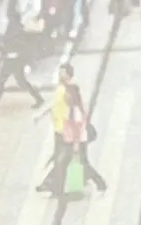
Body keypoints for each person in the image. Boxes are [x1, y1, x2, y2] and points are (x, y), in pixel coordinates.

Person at [37, 64, 109, 196]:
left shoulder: (73, 106)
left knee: (71, 162)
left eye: (63, 73)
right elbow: (54, 104)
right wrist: (41, 115)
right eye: (60, 73)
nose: (60, 75)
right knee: (63, 161)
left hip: (71, 137)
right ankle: (53, 186)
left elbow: (77, 126)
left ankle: (99, 183)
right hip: (63, 132)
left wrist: (76, 143)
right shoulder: (61, 89)